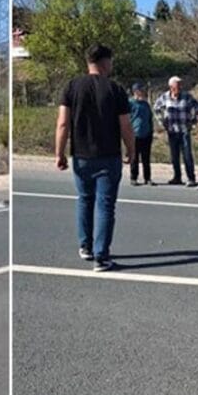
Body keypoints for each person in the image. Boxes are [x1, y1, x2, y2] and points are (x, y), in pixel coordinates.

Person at [55, 44, 135, 272]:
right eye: (110, 61)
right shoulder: (115, 89)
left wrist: (59, 153)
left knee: (85, 199)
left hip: (81, 155)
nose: (112, 65)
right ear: (104, 62)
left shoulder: (72, 87)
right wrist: (131, 149)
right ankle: (101, 256)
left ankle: (86, 246)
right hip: (108, 156)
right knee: (105, 205)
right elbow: (125, 125)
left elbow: (62, 123)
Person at [153, 75, 198, 186]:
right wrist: (162, 122)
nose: (179, 87)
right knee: (174, 155)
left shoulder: (187, 96)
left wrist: (193, 121)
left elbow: (197, 108)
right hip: (172, 131)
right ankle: (177, 177)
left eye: (180, 85)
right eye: (177, 85)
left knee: (187, 154)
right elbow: (156, 108)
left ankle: (191, 178)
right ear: (171, 87)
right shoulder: (165, 97)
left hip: (184, 130)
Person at [128, 83, 155, 186]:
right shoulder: (130, 103)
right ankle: (134, 177)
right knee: (134, 158)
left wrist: (151, 131)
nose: (142, 92)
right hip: (134, 134)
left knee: (146, 158)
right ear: (135, 91)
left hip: (146, 134)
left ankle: (147, 178)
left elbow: (149, 118)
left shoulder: (145, 104)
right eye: (140, 90)